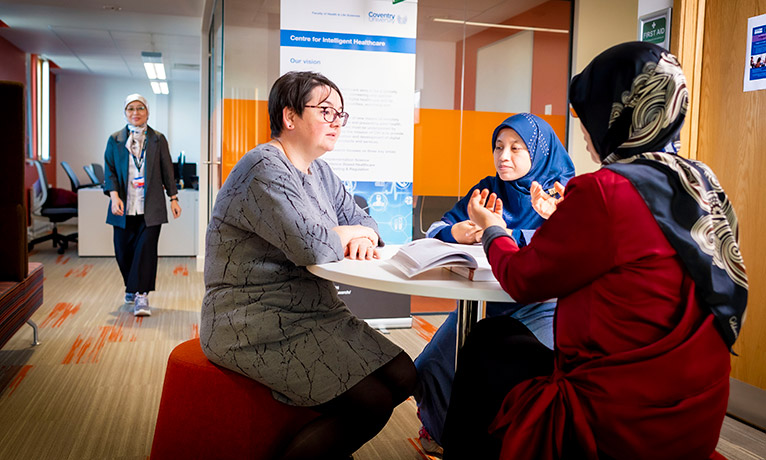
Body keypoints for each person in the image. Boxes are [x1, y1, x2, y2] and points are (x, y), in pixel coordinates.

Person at [441, 41, 748, 460]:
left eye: (589, 116)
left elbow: (522, 279)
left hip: (621, 414)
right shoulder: (700, 180)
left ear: (617, 114)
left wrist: (493, 229)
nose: (585, 133)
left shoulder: (606, 190)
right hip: (697, 409)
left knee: (486, 341)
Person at [200, 71, 416, 460]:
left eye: (341, 113)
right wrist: (345, 233)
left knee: (404, 373)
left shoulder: (319, 171)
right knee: (372, 402)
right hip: (252, 319)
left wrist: (357, 232)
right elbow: (313, 247)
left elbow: (366, 222)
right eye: (326, 110)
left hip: (313, 310)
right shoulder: (263, 167)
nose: (337, 120)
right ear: (289, 117)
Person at [414, 113, 574, 453]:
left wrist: (499, 231)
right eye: (499, 147)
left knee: (519, 380)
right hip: (480, 306)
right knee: (427, 368)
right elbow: (435, 228)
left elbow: (564, 246)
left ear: (540, 152)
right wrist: (455, 231)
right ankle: (449, 437)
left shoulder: (561, 194)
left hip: (537, 308)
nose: (504, 156)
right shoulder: (487, 188)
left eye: (517, 148)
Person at [103, 94, 181, 317]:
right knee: (122, 251)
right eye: (130, 109)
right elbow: (109, 170)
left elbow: (168, 171)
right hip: (123, 207)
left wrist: (173, 199)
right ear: (125, 112)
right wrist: (114, 196)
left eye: (140, 108)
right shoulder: (115, 139)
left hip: (151, 206)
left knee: (145, 251)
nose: (135, 113)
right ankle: (132, 285)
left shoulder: (158, 139)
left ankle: (141, 296)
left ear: (147, 112)